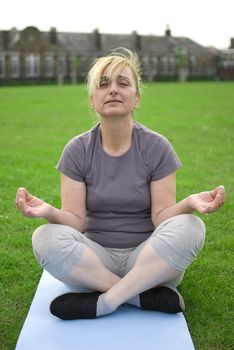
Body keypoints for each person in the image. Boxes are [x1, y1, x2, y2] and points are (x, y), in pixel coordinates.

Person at [16, 48, 225, 320]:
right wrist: (48, 212)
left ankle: (103, 303)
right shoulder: (77, 150)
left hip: (148, 261)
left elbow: (162, 218)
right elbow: (77, 222)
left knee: (192, 226)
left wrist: (188, 204)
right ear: (93, 100)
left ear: (136, 98)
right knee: (43, 237)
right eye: (103, 85)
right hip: (94, 265)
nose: (113, 90)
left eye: (123, 83)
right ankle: (138, 296)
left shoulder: (157, 147)